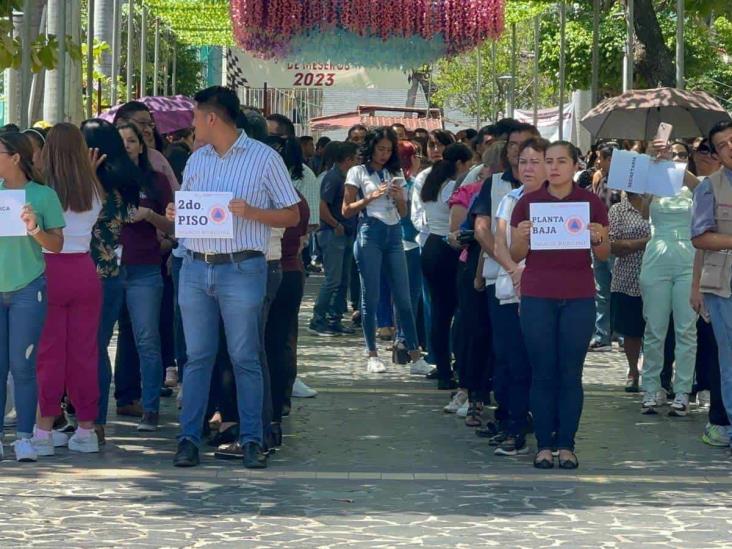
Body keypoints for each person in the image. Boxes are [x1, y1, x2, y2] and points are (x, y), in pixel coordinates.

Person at [168, 86, 300, 469]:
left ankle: (252, 439)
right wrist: (178, 213)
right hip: (195, 264)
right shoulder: (197, 161)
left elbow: (292, 214)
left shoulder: (264, 159)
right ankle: (188, 438)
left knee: (244, 356)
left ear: (211, 118)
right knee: (197, 358)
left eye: (195, 117)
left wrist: (252, 212)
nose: (192, 124)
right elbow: (190, 206)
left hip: (242, 266)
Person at [511, 141, 610, 470]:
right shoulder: (527, 204)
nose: (553, 168)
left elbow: (604, 254)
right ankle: (543, 445)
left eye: (561, 161)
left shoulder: (591, 203)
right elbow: (514, 255)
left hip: (578, 295)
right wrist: (522, 237)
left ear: (574, 165)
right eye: (548, 161)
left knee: (570, 373)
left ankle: (566, 444)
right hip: (538, 293)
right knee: (542, 373)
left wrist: (599, 237)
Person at [33, 123, 104, 455]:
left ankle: (44, 430)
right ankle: (87, 428)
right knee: (84, 353)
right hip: (84, 270)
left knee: (48, 354)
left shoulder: (42, 191)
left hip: (49, 269)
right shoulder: (92, 189)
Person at [342, 127, 431, 375]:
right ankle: (372, 353)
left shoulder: (394, 171)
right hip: (369, 231)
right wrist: (371, 197)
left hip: (394, 234)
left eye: (388, 149)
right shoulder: (357, 172)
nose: (384, 153)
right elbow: (346, 210)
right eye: (380, 148)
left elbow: (403, 213)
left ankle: (414, 355)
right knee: (370, 295)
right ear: (370, 148)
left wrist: (399, 198)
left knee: (404, 297)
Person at [0, 131, 65, 462]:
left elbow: (57, 245)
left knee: (23, 365)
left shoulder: (43, 195)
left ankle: (24, 436)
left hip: (28, 288)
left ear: (14, 157)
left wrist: (35, 228)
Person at [473, 123, 539, 440]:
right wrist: (510, 266)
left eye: (528, 146)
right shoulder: (496, 186)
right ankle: (507, 418)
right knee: (506, 355)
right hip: (502, 282)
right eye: (514, 145)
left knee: (533, 358)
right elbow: (483, 230)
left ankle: (532, 419)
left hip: (541, 288)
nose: (520, 152)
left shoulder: (552, 191)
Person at [80, 118, 141, 444]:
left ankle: (94, 419)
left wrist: (88, 176)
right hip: (112, 276)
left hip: (96, 277)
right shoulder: (123, 181)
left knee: (92, 350)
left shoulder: (98, 187)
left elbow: (86, 214)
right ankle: (90, 417)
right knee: (94, 349)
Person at [490, 137, 549, 455]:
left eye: (535, 161)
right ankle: (514, 428)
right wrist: (514, 270)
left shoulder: (556, 200)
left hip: (547, 292)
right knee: (512, 362)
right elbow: (500, 241)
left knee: (540, 364)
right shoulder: (509, 199)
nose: (527, 167)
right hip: (511, 290)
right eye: (523, 161)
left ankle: (546, 431)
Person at [115, 123, 174, 431]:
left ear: (142, 146)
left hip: (145, 269)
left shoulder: (157, 181)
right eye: (120, 140)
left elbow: (174, 227)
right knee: (95, 341)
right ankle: (92, 413)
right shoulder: (102, 178)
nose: (126, 145)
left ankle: (150, 408)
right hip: (105, 270)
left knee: (147, 339)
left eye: (131, 140)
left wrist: (149, 215)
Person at [639, 141, 700, 416]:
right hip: (657, 254)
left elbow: (702, 189)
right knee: (655, 326)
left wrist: (677, 167)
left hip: (687, 255)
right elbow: (642, 211)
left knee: (686, 328)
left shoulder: (696, 185)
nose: (675, 158)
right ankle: (651, 387)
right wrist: (653, 168)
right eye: (672, 153)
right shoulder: (656, 183)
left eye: (681, 154)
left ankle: (683, 390)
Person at [691, 120, 732, 453]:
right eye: (722, 145)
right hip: (723, 288)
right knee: (729, 361)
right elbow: (700, 236)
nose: (730, 147)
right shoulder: (709, 187)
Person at [419, 143, 474, 389]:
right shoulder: (454, 186)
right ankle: (455, 366)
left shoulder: (432, 181)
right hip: (448, 249)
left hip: (431, 245)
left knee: (439, 312)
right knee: (457, 311)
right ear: (461, 164)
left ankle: (442, 367)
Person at [266, 189, 310, 445]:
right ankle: (279, 404)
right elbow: (302, 236)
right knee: (283, 342)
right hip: (291, 271)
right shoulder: (297, 199)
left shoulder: (257, 197)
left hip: (271, 271)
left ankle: (269, 410)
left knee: (264, 345)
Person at [310, 142, 359, 335]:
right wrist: (335, 224)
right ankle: (318, 319)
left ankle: (334, 318)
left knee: (342, 280)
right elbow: (322, 206)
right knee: (332, 279)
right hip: (333, 234)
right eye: (355, 158)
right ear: (347, 159)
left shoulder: (345, 177)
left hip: (345, 233)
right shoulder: (333, 178)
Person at [608, 191, 651, 392]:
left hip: (659, 273)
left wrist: (630, 244)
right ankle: (633, 370)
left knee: (656, 329)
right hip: (627, 278)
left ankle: (655, 373)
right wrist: (645, 242)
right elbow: (613, 246)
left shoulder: (658, 205)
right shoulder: (618, 210)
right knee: (631, 330)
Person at [589, 143, 621, 352]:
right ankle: (602, 334)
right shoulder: (602, 180)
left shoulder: (625, 184)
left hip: (617, 243)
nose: (599, 162)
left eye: (602, 158)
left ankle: (621, 334)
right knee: (601, 291)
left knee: (618, 290)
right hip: (597, 240)